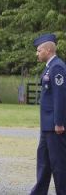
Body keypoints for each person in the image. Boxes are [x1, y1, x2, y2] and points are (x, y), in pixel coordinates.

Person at [30, 33, 66, 195]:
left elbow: (60, 96)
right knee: (43, 163)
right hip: (47, 125)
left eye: (39, 50)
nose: (37, 54)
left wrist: (59, 122)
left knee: (58, 164)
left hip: (54, 126)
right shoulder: (50, 67)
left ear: (48, 50)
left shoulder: (57, 67)